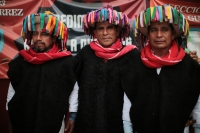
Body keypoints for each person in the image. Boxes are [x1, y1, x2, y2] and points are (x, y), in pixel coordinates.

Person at [120, 4, 200, 133]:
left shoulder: (189, 66)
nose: (159, 35)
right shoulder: (135, 65)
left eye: (164, 29)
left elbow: (197, 103)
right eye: (154, 30)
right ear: (148, 35)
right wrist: (128, 129)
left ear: (173, 34)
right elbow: (128, 102)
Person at [6, 11, 76, 133]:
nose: (38, 38)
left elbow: (74, 90)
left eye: (44, 34)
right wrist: (10, 119)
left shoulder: (66, 62)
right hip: (22, 122)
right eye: (35, 34)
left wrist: (73, 116)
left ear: (54, 37)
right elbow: (12, 90)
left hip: (53, 123)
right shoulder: (21, 61)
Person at [73, 4, 138, 133]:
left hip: (120, 125)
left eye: (109, 28)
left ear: (118, 30)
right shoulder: (85, 54)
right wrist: (73, 115)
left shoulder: (131, 56)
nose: (105, 33)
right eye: (100, 28)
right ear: (95, 32)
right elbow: (72, 84)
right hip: (87, 124)